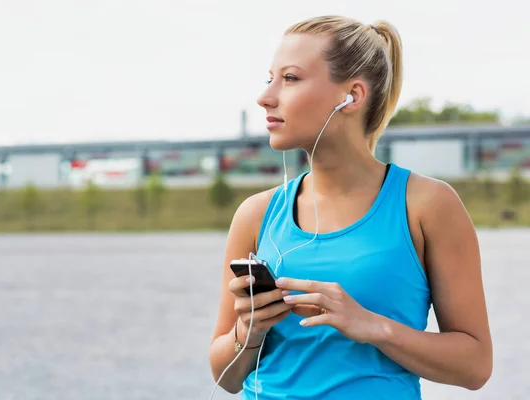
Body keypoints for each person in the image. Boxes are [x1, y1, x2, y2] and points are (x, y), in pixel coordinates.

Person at [208, 15, 493, 400]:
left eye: (290, 79)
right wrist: (250, 330)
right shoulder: (256, 214)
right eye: (269, 78)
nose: (266, 96)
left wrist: (372, 326)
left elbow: (475, 367)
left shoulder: (427, 205)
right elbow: (225, 378)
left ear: (352, 96)